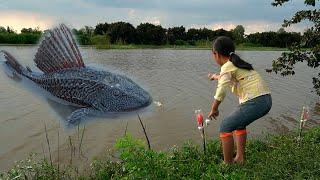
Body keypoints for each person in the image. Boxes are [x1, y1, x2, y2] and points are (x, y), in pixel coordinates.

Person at [207, 36, 272, 164]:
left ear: (216, 54)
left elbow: (221, 91)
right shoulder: (238, 63)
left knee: (225, 126)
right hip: (266, 100)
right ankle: (240, 158)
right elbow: (224, 77)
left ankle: (228, 165)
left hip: (256, 102)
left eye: (213, 54)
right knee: (239, 125)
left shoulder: (227, 66)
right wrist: (214, 76)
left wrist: (214, 109)